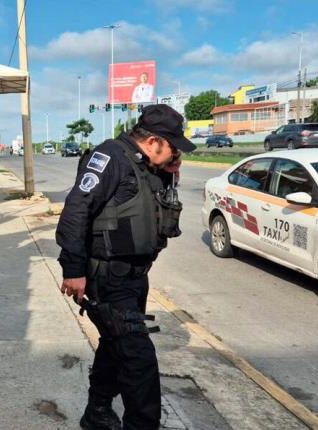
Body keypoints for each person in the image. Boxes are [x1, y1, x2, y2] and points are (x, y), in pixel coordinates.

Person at [56, 104, 196, 430]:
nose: (176, 152)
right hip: (107, 279)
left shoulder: (150, 166)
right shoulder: (110, 158)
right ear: (153, 141)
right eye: (173, 145)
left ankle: (97, 413)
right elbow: (76, 209)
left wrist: (171, 168)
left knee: (113, 348)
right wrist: (73, 270)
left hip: (135, 280)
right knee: (139, 362)